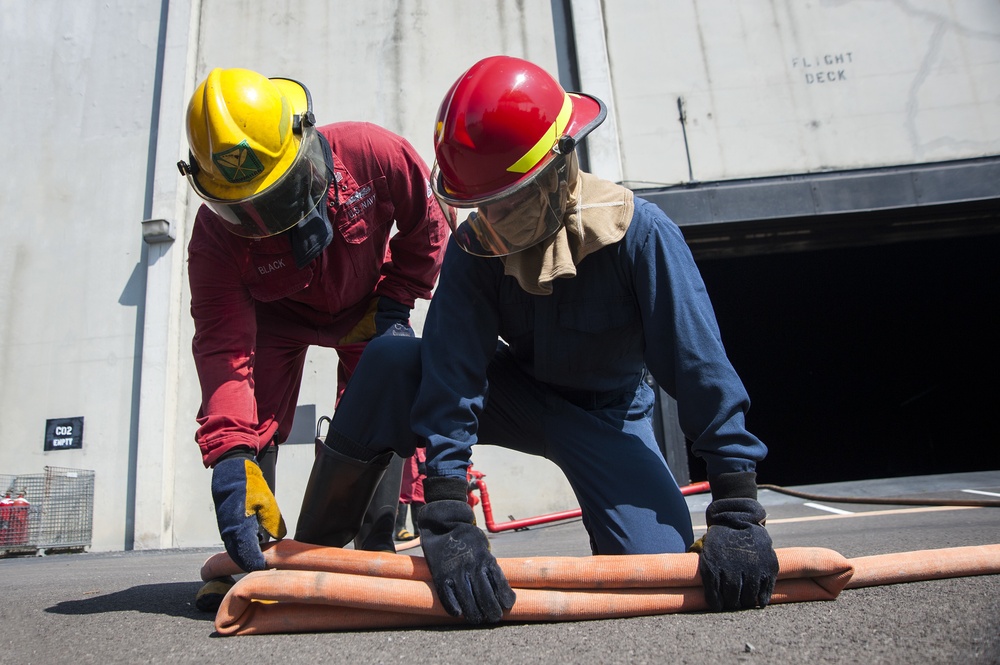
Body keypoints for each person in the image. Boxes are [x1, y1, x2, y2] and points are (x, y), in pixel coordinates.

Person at [294, 55, 779, 624]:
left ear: (559, 166)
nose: (492, 222)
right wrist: (447, 511)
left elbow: (702, 371)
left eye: (509, 202)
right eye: (482, 206)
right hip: (517, 396)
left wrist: (737, 507)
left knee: (655, 573)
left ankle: (652, 536)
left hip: (609, 415)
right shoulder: (477, 248)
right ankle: (312, 558)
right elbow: (453, 374)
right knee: (390, 361)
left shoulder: (640, 235)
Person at [176, 68, 449, 610]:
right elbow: (225, 352)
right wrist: (230, 456)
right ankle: (258, 556)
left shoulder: (373, 155)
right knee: (252, 420)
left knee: (381, 399)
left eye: (274, 200)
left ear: (305, 147)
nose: (262, 223)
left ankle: (375, 548)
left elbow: (429, 226)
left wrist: (397, 303)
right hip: (276, 317)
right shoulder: (213, 243)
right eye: (242, 211)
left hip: (368, 301)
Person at [394, 446, 426, 542]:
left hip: (425, 452)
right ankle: (400, 528)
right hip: (412, 451)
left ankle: (419, 530)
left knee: (420, 492)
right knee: (406, 487)